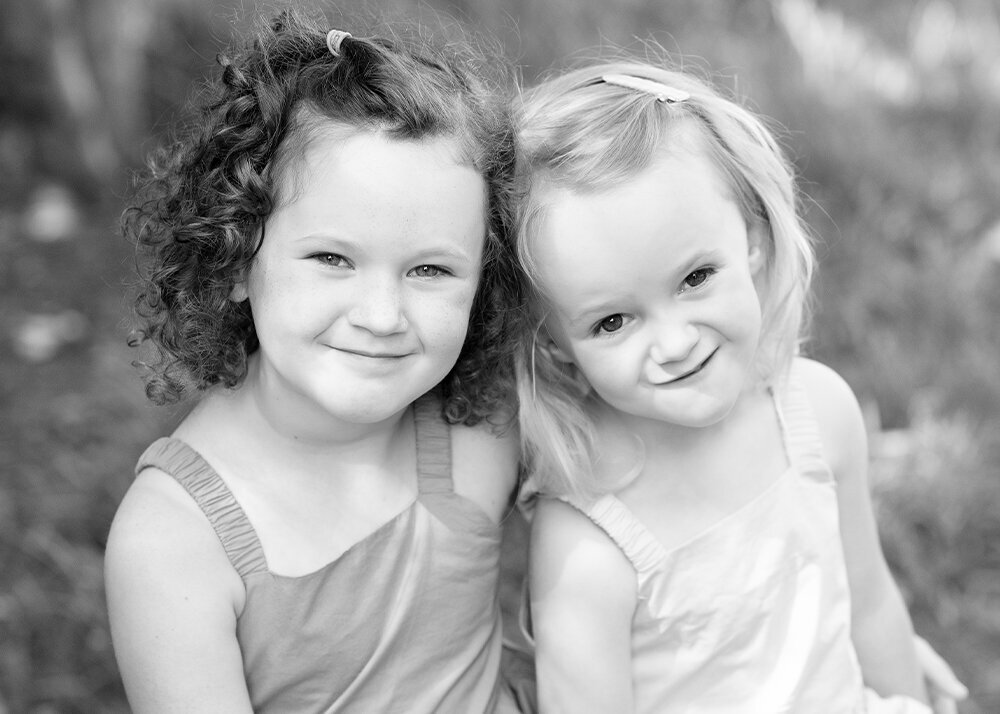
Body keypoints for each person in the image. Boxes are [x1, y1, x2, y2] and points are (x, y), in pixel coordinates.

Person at [105, 9, 525, 713]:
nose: (382, 315)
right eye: (333, 258)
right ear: (235, 256)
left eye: (430, 270)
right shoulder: (174, 541)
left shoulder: (479, 433)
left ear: (486, 279)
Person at [511, 59, 963, 713]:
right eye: (612, 320)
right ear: (554, 341)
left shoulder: (817, 411)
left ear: (751, 236)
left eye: (695, 278)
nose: (674, 343)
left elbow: (869, 604)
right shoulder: (589, 541)